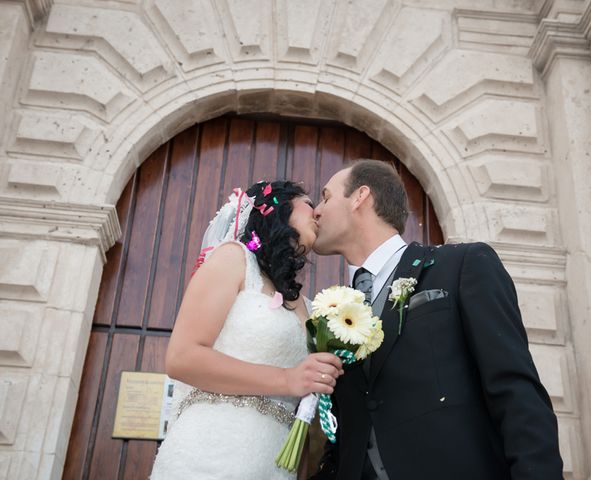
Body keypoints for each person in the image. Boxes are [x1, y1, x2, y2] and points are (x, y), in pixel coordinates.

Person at [309, 160, 563, 479]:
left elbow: (515, 390)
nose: (316, 211)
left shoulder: (462, 265)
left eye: (326, 197)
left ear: (360, 196)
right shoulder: (334, 317)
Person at [150, 181, 343, 480]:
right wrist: (286, 379)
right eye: (308, 202)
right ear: (279, 208)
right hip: (210, 457)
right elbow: (182, 357)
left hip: (276, 465)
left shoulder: (309, 306)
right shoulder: (234, 259)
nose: (317, 211)